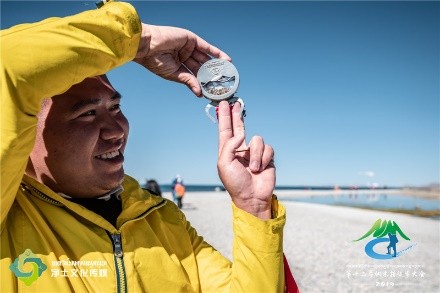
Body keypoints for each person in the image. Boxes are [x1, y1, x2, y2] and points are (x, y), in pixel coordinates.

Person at [1, 1, 286, 292]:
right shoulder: (9, 218)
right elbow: (7, 64)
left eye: (115, 107)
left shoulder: (160, 218)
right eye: (87, 113)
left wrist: (254, 210)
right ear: (23, 127)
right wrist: (138, 41)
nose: (117, 130)